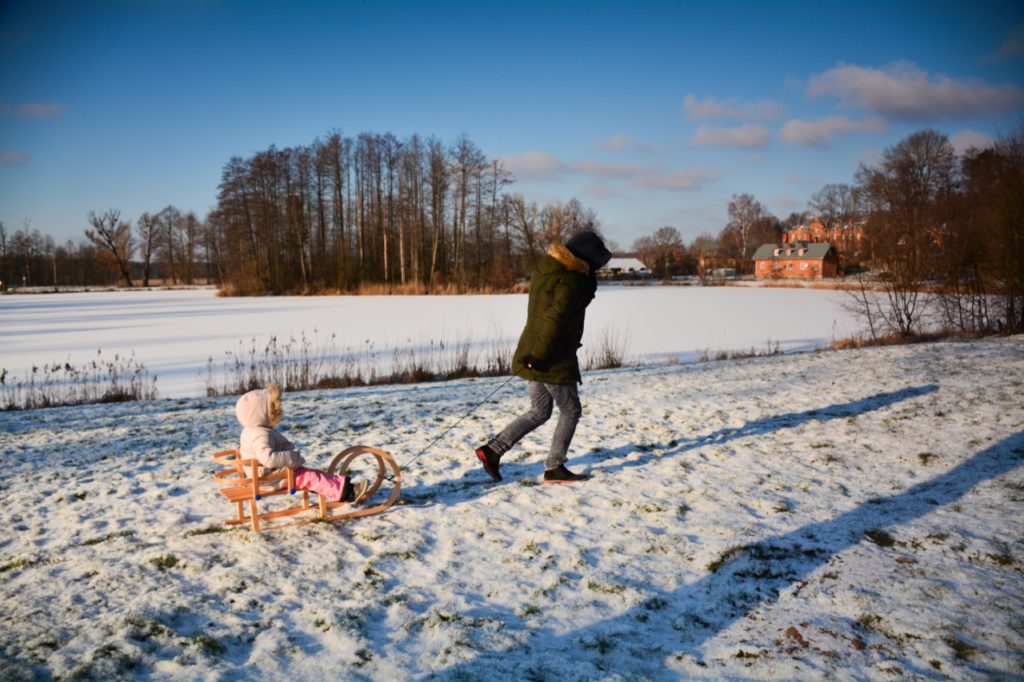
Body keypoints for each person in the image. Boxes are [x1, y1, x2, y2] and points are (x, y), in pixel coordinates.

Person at [475, 229, 612, 484]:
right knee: (571, 410)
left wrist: (534, 354)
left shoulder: (549, 272)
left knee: (540, 410)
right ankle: (554, 467)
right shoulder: (571, 282)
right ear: (586, 260)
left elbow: (567, 307)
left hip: (534, 349)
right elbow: (555, 319)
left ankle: (493, 451)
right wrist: (539, 356)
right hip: (551, 356)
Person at [235, 383, 365, 502]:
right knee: (312, 478)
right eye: (272, 408)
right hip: (273, 478)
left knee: (311, 475)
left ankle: (340, 488)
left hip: (268, 476)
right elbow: (268, 458)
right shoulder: (260, 434)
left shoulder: (250, 430)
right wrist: (292, 457)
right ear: (260, 413)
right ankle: (348, 492)